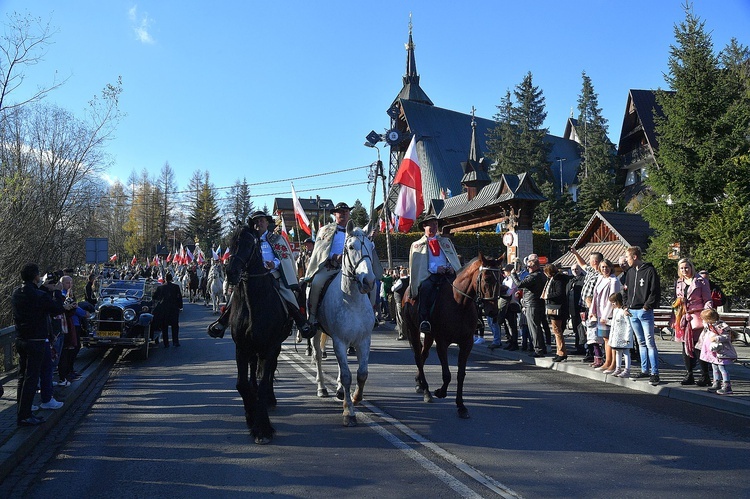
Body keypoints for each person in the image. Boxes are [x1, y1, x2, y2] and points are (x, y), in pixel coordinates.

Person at [209, 211, 312, 338]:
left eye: (261, 221)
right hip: (250, 276)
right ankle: (223, 320)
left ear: (267, 222)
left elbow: (284, 257)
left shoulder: (276, 239)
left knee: (287, 294)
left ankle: (300, 321)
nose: (259, 224)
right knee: (236, 295)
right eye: (256, 222)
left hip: (272, 274)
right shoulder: (247, 240)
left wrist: (274, 264)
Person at [11, 263, 70, 426]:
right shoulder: (39, 295)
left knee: (22, 376)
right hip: (36, 341)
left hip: (21, 339)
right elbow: (57, 309)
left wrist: (44, 289)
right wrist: (57, 290)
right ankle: (25, 415)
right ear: (36, 276)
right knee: (32, 377)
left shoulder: (16, 293)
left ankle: (22, 410)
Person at [305, 202, 356, 334]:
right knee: (316, 284)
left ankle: (370, 315)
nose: (343, 213)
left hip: (350, 269)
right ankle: (312, 317)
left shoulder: (356, 231)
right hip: (331, 267)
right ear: (335, 214)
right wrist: (334, 257)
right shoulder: (325, 231)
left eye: (346, 211)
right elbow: (320, 250)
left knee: (369, 284)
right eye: (340, 211)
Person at [407, 214, 462, 333]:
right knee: (425, 289)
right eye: (431, 224)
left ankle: (471, 317)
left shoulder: (445, 241)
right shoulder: (417, 245)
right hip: (429, 275)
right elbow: (419, 265)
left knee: (463, 288)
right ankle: (424, 320)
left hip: (447, 274)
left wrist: (451, 267)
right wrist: (435, 269)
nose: (434, 226)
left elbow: (451, 258)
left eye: (436, 224)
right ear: (424, 226)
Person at [622, 246, 661, 386]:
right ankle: (644, 369)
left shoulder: (649, 270)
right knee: (641, 342)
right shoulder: (630, 272)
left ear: (634, 257)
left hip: (644, 311)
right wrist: (625, 306)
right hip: (632, 312)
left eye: (627, 257)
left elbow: (654, 291)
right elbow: (625, 290)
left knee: (650, 343)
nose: (626, 260)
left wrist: (647, 306)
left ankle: (654, 372)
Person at [674, 258, 713, 386]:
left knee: (699, 346)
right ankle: (689, 373)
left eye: (686, 267)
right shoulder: (679, 282)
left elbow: (707, 299)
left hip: (698, 316)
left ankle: (705, 375)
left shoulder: (701, 281)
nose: (684, 270)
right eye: (681, 268)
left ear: (691, 267)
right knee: (685, 346)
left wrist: (707, 314)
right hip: (684, 317)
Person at [511, 254, 548, 358]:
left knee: (534, 328)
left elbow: (519, 284)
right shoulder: (541, 275)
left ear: (535, 266)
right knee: (537, 327)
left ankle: (538, 349)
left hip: (532, 304)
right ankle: (542, 347)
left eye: (529, 267)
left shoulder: (534, 276)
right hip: (538, 303)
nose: (528, 269)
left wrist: (513, 275)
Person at [589, 259, 621, 373]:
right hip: (599, 311)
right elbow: (595, 296)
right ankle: (607, 362)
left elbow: (612, 300)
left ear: (610, 267)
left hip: (608, 314)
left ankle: (611, 363)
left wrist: (605, 316)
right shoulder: (600, 278)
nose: (604, 269)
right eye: (602, 267)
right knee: (604, 338)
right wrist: (592, 311)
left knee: (609, 339)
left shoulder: (613, 280)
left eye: (606, 267)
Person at [699, 309, 736, 395]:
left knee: (722, 368)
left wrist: (717, 338)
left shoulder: (721, 326)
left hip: (721, 351)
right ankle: (716, 383)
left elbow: (727, 337)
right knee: (714, 367)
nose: (703, 320)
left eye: (704, 318)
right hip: (713, 351)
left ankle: (727, 385)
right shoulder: (709, 325)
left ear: (710, 319)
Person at [542, 263, 570, 362]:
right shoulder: (556, 278)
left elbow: (559, 293)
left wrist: (547, 296)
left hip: (558, 308)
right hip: (557, 307)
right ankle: (560, 351)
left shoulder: (558, 280)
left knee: (557, 331)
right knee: (557, 331)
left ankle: (561, 352)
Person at [153, 272, 183, 347]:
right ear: (172, 278)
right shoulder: (176, 287)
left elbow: (154, 297)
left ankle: (166, 343)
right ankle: (175, 342)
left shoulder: (160, 287)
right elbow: (179, 297)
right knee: (175, 326)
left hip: (164, 309)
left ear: (165, 279)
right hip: (174, 309)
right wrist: (180, 306)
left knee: (164, 326)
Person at [608, 292, 634, 378]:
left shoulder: (624, 311)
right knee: (618, 352)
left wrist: (627, 337)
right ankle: (618, 368)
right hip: (617, 336)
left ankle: (627, 369)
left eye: (614, 302)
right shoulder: (615, 310)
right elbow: (614, 324)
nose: (613, 304)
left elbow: (629, 325)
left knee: (626, 352)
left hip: (624, 336)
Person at [566, 264, 586, 356]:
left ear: (580, 269)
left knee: (581, 329)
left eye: (577, 269)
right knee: (575, 329)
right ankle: (577, 346)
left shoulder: (584, 279)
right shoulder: (571, 280)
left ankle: (582, 347)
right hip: (571, 308)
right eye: (573, 269)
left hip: (580, 308)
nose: (575, 271)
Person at [391, 268, 410, 340]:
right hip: (407, 301)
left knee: (400, 318)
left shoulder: (400, 281)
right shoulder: (409, 280)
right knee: (406, 317)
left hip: (399, 301)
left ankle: (402, 334)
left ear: (401, 274)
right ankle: (407, 333)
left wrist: (394, 285)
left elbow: (393, 289)